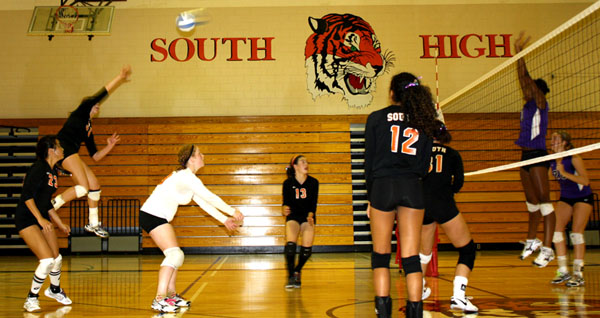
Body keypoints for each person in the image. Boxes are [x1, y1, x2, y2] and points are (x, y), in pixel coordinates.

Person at [364, 72, 437, 318]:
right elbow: (426, 164)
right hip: (412, 186)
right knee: (411, 259)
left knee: (381, 256)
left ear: (393, 93)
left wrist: (370, 198)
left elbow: (369, 164)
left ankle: (383, 314)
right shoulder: (425, 119)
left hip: (382, 187)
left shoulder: (375, 118)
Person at [140, 144, 244, 313]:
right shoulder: (186, 177)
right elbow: (211, 197)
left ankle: (171, 295)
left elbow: (203, 202)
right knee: (174, 254)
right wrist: (233, 211)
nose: (203, 155)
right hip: (152, 215)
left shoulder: (188, 178)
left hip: (154, 216)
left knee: (175, 255)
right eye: (199, 153)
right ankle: (159, 299)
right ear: (191, 159)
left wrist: (224, 219)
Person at [51, 65, 132, 238]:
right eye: (95, 104)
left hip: (71, 153)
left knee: (94, 187)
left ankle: (93, 224)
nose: (98, 106)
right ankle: (52, 205)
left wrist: (110, 146)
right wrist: (120, 77)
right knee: (82, 187)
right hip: (62, 150)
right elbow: (102, 93)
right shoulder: (81, 112)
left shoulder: (88, 127)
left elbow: (95, 156)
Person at [419, 120, 478, 313]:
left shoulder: (419, 153)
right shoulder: (453, 154)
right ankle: (459, 296)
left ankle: (418, 288)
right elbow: (459, 182)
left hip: (421, 205)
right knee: (468, 249)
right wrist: (447, 193)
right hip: (443, 203)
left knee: (424, 253)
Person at [16, 135, 72, 312]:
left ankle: (54, 289)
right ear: (51, 150)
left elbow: (46, 203)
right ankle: (31, 298)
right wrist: (40, 219)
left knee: (56, 258)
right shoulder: (39, 167)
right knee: (47, 260)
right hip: (27, 218)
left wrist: (60, 223)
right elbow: (27, 196)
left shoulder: (52, 171)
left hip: (41, 217)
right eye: (59, 146)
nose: (62, 148)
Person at [514, 32, 556, 267]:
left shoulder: (541, 102)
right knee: (531, 202)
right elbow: (522, 78)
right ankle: (532, 239)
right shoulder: (528, 104)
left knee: (544, 201)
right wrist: (517, 53)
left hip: (539, 155)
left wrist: (522, 55)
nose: (525, 90)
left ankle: (548, 249)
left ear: (536, 90)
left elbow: (526, 79)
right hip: (525, 156)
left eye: (529, 88)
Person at [549, 131, 593, 287]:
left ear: (565, 142)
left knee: (576, 233)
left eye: (555, 138)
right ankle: (563, 271)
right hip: (566, 198)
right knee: (556, 230)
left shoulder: (574, 157)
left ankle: (578, 273)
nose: (552, 140)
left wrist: (564, 173)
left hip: (583, 197)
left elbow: (585, 180)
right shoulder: (551, 159)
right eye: (551, 138)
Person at [282, 155, 319, 289]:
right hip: (293, 216)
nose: (306, 164)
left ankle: (297, 270)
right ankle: (291, 275)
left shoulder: (313, 182)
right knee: (291, 246)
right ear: (295, 166)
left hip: (307, 216)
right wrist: (284, 209)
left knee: (306, 249)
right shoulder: (287, 183)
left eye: (307, 161)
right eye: (303, 162)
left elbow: (313, 203)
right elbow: (285, 203)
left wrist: (311, 214)